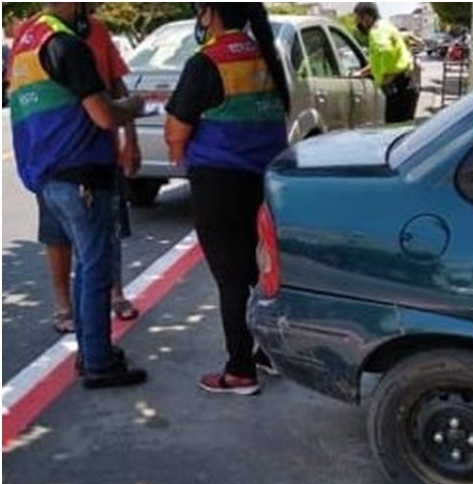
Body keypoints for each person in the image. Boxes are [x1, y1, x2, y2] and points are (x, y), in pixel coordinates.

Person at [8, 2, 147, 388]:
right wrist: (132, 108)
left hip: (48, 175)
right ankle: (99, 362)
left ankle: (92, 351)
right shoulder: (67, 45)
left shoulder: (27, 44)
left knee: (88, 265)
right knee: (96, 267)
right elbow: (104, 114)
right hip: (81, 175)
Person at [164, 3, 289, 396]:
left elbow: (175, 130)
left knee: (231, 279)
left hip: (219, 184)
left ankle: (240, 370)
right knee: (264, 272)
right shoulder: (267, 55)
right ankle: (272, 352)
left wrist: (177, 151)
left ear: (210, 13)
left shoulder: (206, 61)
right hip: (265, 182)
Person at [352, 2, 418, 123]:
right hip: (406, 86)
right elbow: (381, 59)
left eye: (358, 19)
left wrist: (387, 77)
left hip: (398, 89)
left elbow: (386, 51)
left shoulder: (376, 32)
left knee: (394, 131)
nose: (358, 24)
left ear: (367, 17)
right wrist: (362, 72)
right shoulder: (386, 26)